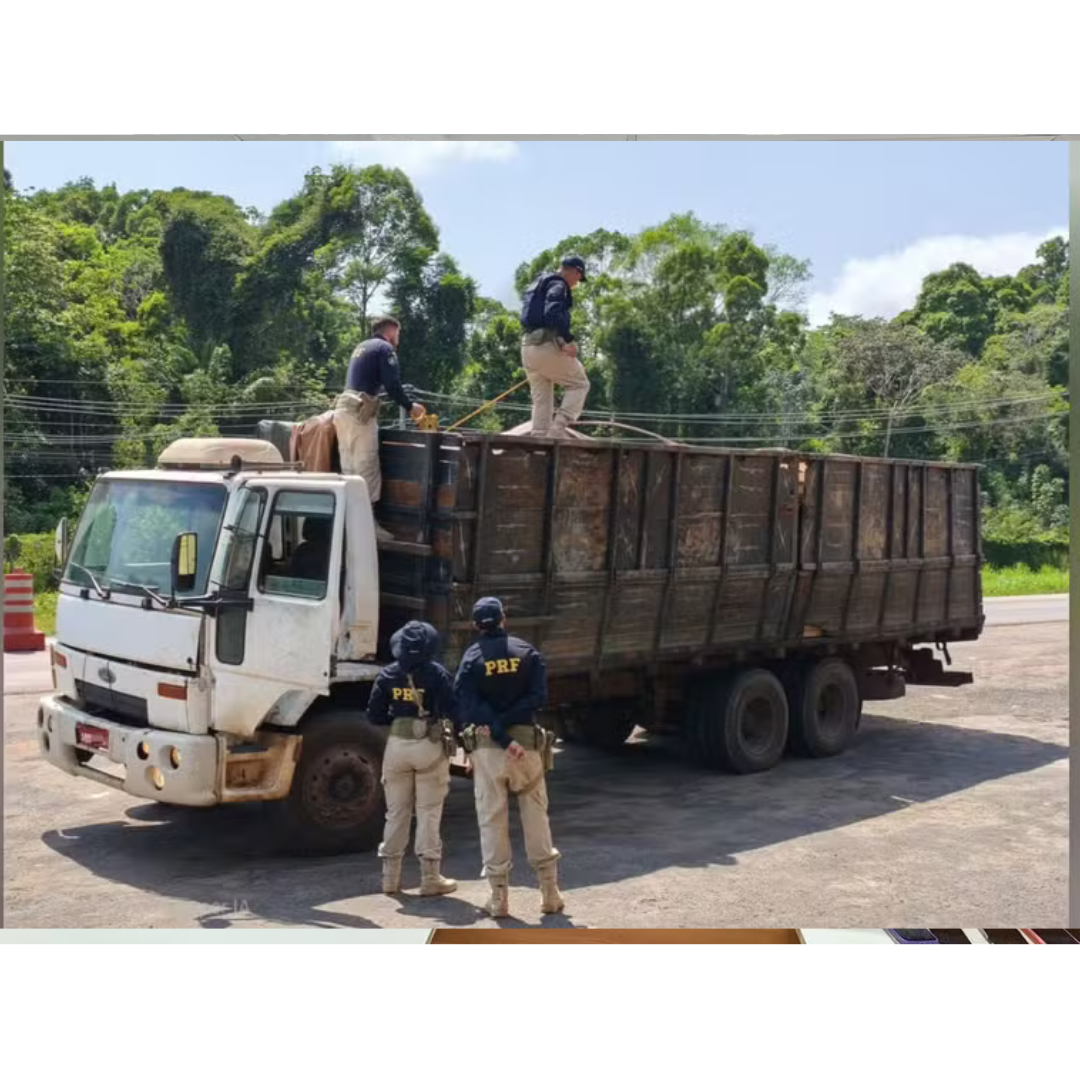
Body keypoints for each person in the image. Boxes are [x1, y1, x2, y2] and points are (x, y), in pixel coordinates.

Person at [454, 597, 564, 918]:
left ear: (476, 625)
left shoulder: (472, 658)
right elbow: (538, 697)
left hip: (489, 752)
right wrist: (510, 731)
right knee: (536, 817)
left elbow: (468, 706)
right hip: (526, 748)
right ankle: (550, 894)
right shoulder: (527, 652)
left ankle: (499, 899)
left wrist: (499, 732)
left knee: (492, 820)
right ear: (505, 618)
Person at [366, 620, 459, 897]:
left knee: (396, 813)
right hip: (429, 747)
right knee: (429, 812)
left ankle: (390, 881)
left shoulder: (387, 675)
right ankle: (430, 879)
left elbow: (374, 716)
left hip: (397, 747)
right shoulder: (438, 675)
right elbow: (454, 711)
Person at [334, 316, 426, 541]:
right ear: (392, 331)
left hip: (342, 410)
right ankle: (368, 529)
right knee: (366, 469)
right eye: (398, 335)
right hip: (359, 413)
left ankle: (347, 526)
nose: (398, 340)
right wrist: (410, 406)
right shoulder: (384, 348)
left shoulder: (362, 347)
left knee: (349, 471)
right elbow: (392, 384)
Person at [519, 255, 590, 438]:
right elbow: (552, 313)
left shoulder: (538, 284)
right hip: (545, 347)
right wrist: (567, 341)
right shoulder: (559, 285)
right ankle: (559, 428)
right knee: (580, 384)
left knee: (542, 401)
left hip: (528, 348)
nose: (577, 283)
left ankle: (540, 437)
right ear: (575, 271)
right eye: (579, 278)